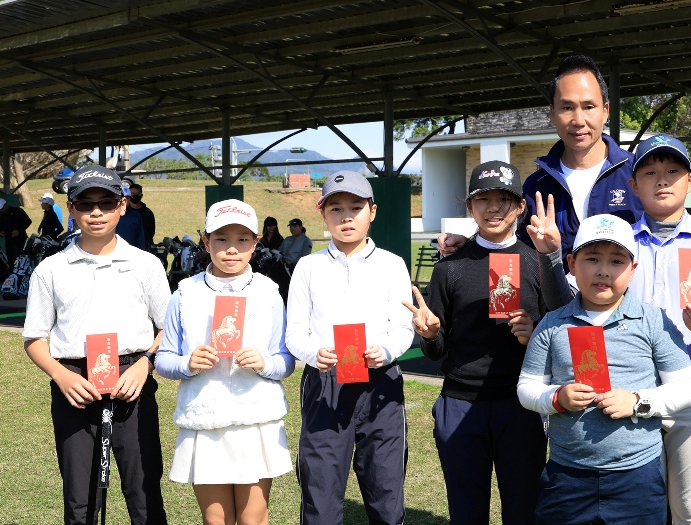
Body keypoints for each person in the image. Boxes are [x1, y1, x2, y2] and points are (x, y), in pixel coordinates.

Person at [533, 134, 691, 525]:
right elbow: (562, 303)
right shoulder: (616, 241)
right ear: (633, 185)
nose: (662, 180)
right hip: (624, 387)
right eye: (650, 173)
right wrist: (550, 255)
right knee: (635, 505)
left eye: (673, 171)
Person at [438, 54, 691, 270]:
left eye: (589, 106)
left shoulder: (637, 173)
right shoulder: (535, 185)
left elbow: (671, 228)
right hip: (558, 321)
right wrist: (470, 245)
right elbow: (512, 245)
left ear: (606, 110)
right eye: (567, 107)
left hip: (628, 321)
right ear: (552, 113)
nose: (578, 120)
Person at [518, 214, 691, 524]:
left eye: (616, 261)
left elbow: (685, 389)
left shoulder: (653, 320)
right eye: (592, 259)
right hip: (567, 475)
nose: (603, 270)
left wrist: (637, 402)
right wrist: (557, 398)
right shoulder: (552, 323)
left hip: (637, 476)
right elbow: (526, 388)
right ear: (572, 264)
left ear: (633, 269)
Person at [21, 165, 170, 525]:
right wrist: (61, 375)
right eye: (85, 204)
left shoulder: (146, 265)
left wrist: (145, 364)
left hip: (132, 382)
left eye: (106, 202)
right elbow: (34, 337)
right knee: (80, 499)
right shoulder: (51, 269)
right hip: (75, 385)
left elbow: (170, 329)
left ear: (122, 206)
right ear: (71, 209)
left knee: (145, 495)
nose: (96, 212)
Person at [403, 161, 547, 524]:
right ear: (469, 206)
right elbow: (436, 350)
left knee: (524, 510)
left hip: (521, 404)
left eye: (504, 199)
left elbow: (558, 340)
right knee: (466, 512)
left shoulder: (537, 264)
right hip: (459, 403)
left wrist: (535, 333)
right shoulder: (449, 268)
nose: (493, 208)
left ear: (521, 206)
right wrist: (430, 335)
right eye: (483, 199)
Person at [155, 199, 295, 525]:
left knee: (252, 518)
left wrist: (264, 363)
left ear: (255, 243)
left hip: (256, 418)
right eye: (221, 239)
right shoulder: (184, 294)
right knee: (215, 519)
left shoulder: (268, 292)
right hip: (205, 419)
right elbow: (164, 358)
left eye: (242, 239)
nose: (231, 249)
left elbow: (285, 360)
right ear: (206, 241)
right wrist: (188, 364)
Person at [286, 171, 414, 525]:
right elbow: (294, 332)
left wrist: (385, 351)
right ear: (322, 213)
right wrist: (314, 353)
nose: (346, 217)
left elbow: (403, 327)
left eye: (356, 207)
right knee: (321, 489)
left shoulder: (392, 264)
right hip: (326, 382)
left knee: (385, 489)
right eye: (336, 209)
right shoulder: (308, 266)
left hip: (381, 383)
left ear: (372, 211)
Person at [0, 197, 32, 265]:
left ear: (6, 205)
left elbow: (28, 221)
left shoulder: (18, 211)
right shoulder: (0, 215)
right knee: (11, 261)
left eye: (2, 208)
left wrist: (19, 230)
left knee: (22, 261)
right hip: (9, 242)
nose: (1, 210)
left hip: (20, 241)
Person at [127, 184, 156, 251]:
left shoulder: (148, 213)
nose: (135, 195)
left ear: (141, 195)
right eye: (133, 193)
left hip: (144, 247)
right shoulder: (123, 212)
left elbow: (151, 231)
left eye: (137, 194)